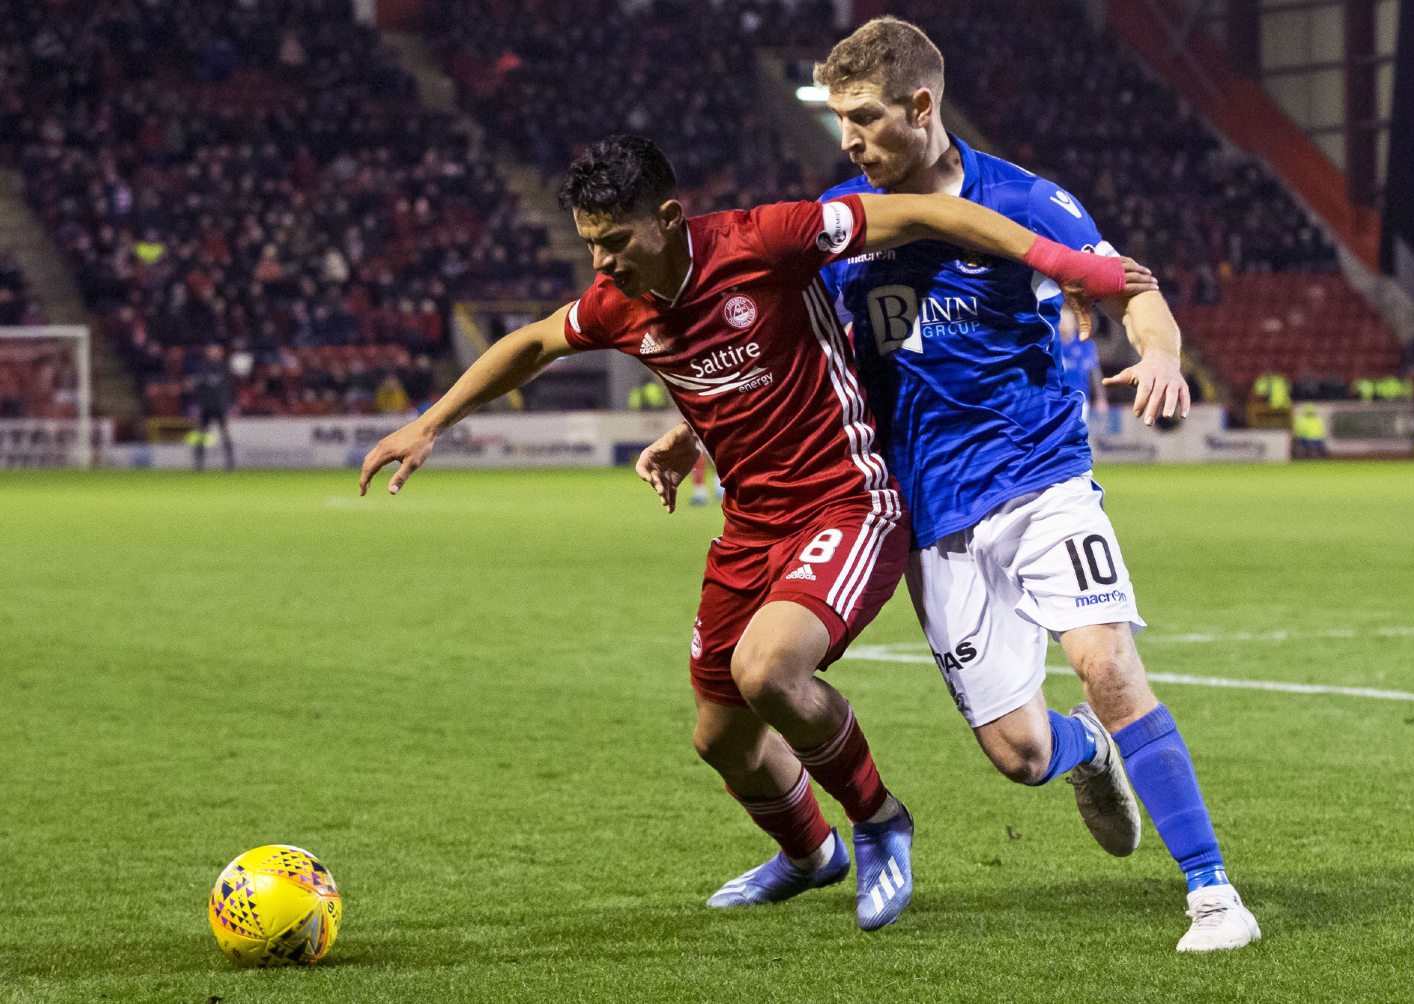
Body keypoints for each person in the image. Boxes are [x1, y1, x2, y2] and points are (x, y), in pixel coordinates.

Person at [360, 134, 1147, 930]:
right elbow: (531, 343)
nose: (601, 263)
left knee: (768, 670)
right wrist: (431, 425)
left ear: (667, 218)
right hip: (751, 527)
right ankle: (812, 855)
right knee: (722, 739)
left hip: (849, 501)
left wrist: (1069, 263)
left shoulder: (764, 240)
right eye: (588, 242)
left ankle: (879, 821)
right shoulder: (616, 303)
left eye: (615, 241)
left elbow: (922, 211)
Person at [639, 17, 1257, 952]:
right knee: (1020, 754)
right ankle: (1086, 748)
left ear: (921, 107)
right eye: (836, 117)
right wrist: (693, 430)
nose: (845, 138)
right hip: (927, 512)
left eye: (862, 116)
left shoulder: (1027, 198)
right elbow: (796, 346)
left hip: (1043, 475)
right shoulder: (843, 220)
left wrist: (1162, 355)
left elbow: (1131, 285)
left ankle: (1214, 895)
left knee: (1107, 660)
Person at [188, 343, 235, 471]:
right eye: (212, 351)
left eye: (216, 351)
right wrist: (197, 402)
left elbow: (229, 388)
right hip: (206, 406)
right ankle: (199, 462)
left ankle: (230, 462)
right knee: (201, 434)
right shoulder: (202, 368)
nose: (214, 353)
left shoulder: (224, 368)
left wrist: (230, 403)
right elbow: (195, 386)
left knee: (224, 434)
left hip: (219, 406)